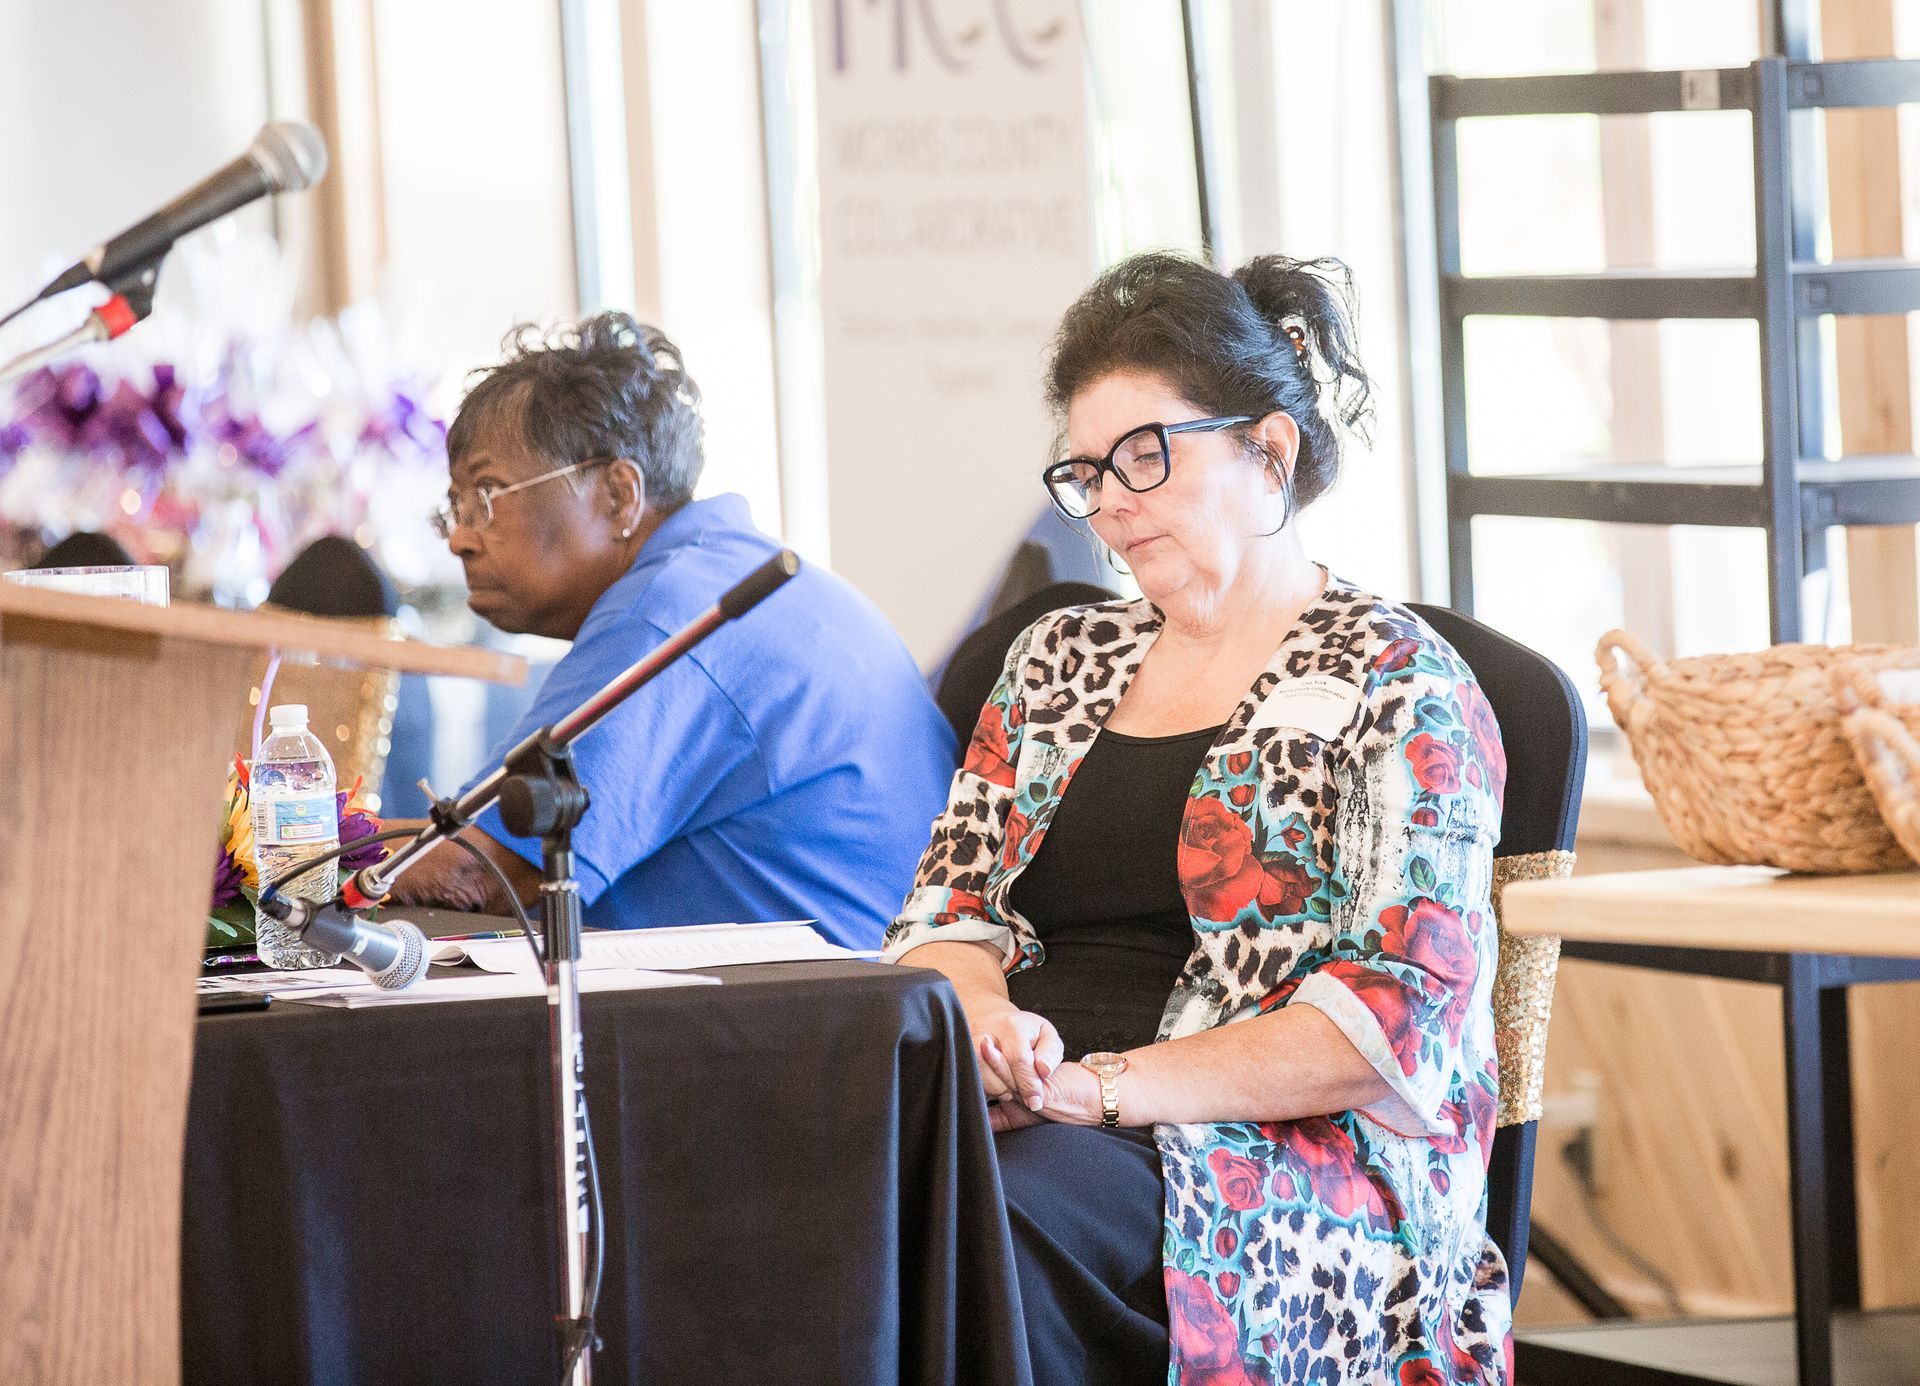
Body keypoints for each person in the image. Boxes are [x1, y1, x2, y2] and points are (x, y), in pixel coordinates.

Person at [883, 253, 1511, 1383]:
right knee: (801, 1189)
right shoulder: (1057, 655)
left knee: (976, 1231)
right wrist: (988, 1026)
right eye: (1088, 471)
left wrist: (1105, 1088)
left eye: (1146, 456)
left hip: (1281, 1159)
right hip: (1034, 1108)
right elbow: (950, 910)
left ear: (1265, 450)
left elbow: (1389, 1022)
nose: (1111, 501)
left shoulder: (1398, 682)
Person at [388, 313, 956, 949]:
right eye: (456, 508)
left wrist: (277, 841)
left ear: (618, 496)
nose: (462, 538)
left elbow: (488, 872)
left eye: (487, 497)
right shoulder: (723, 572)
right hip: (868, 1002)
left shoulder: (672, 614)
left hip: (824, 1018)